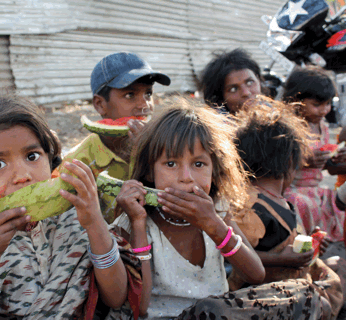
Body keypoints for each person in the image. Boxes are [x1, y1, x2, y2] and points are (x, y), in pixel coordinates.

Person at [0, 95, 142, 320]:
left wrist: (95, 224)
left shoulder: (79, 216)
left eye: (32, 156)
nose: (23, 176)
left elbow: (116, 297)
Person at [113, 97, 280, 319]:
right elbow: (141, 307)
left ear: (214, 169)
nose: (186, 178)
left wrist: (213, 225)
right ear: (149, 172)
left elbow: (256, 273)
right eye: (170, 164)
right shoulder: (134, 219)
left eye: (198, 164)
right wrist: (138, 225)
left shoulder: (216, 210)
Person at [232, 96, 343, 319]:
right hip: (265, 302)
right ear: (289, 162)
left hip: (289, 291)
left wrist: (310, 239)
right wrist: (283, 260)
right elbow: (235, 256)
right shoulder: (251, 208)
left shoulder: (280, 200)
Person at [54, 52, 171, 223]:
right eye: (130, 95)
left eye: (148, 93)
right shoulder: (79, 162)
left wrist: (152, 153)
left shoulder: (166, 144)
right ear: (100, 104)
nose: (144, 104)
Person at [282, 66, 346, 242]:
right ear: (295, 100)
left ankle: (321, 244)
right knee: (302, 204)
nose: (324, 110)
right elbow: (275, 164)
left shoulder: (323, 127)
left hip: (315, 189)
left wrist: (334, 159)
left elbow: (328, 167)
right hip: (291, 188)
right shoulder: (288, 128)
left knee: (335, 201)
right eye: (316, 105)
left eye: (327, 104)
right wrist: (300, 160)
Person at [199, 48, 262, 114]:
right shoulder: (217, 123)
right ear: (220, 99)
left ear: (258, 79)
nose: (246, 93)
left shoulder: (272, 114)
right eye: (233, 89)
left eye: (250, 82)